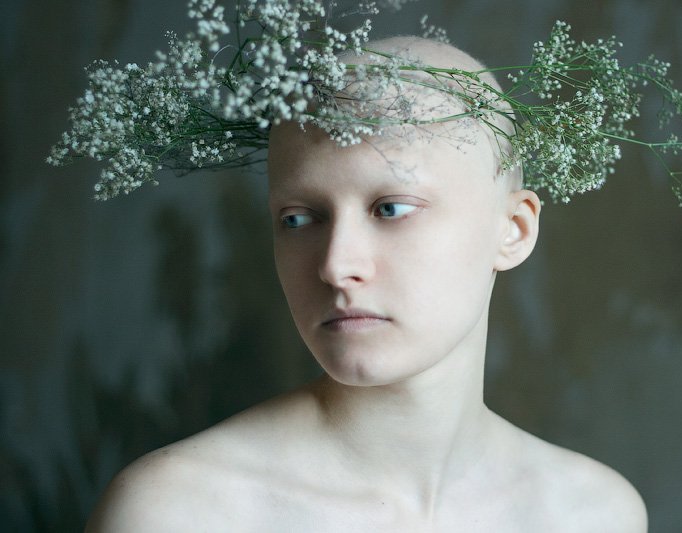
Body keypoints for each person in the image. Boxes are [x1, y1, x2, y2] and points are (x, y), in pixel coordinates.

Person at [86, 37, 648, 532]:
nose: (336, 266)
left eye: (391, 208)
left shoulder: (591, 515)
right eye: (298, 219)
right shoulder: (179, 514)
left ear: (513, 229)